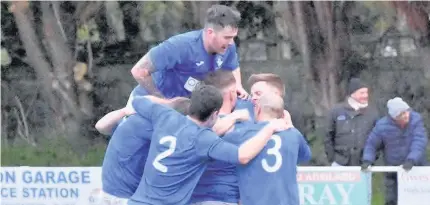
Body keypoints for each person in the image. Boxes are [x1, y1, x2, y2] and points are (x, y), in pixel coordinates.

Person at [127, 85, 289, 205]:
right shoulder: (203, 139)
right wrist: (270, 128)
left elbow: (138, 101)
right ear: (215, 114)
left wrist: (171, 103)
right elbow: (243, 155)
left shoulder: (164, 116)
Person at [128, 4, 247, 104]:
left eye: (233, 37)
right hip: (147, 100)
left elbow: (232, 66)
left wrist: (238, 86)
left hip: (184, 103)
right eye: (227, 37)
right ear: (210, 33)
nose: (232, 43)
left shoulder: (227, 46)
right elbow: (138, 71)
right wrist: (161, 100)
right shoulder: (179, 46)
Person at [223, 93, 311, 205]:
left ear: (258, 109)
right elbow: (306, 156)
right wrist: (291, 126)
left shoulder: (243, 133)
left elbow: (213, 138)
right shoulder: (294, 134)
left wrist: (233, 117)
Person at [101, 97, 190, 204]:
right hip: (127, 197)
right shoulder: (154, 127)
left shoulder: (131, 119)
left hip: (110, 192)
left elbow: (100, 126)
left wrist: (124, 111)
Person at [361, 97, 428, 205]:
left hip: (416, 169)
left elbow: (419, 140)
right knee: (391, 200)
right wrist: (367, 160)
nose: (406, 115)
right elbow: (371, 145)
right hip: (393, 172)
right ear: (394, 117)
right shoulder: (381, 126)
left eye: (407, 112)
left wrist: (411, 159)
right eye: (401, 114)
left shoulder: (416, 119)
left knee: (420, 200)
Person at [191, 70, 244, 205]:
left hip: (192, 198)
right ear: (232, 95)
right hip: (225, 198)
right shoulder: (242, 127)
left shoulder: (191, 126)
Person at [324, 78, 379, 166]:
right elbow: (328, 137)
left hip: (364, 165)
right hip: (340, 164)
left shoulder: (372, 113)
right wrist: (332, 159)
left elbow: (378, 138)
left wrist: (372, 159)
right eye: (362, 93)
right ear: (352, 94)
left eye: (366, 92)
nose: (365, 95)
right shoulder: (336, 111)